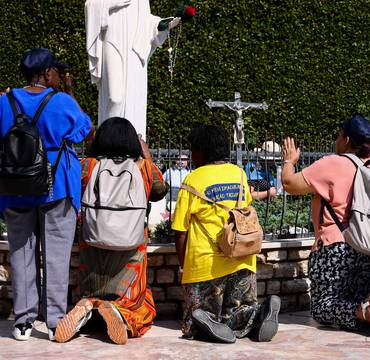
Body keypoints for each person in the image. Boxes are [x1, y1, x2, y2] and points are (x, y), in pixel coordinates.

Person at [0, 48, 92, 341]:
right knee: (55, 255)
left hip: (15, 186)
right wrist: (68, 91)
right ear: (47, 73)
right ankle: (54, 322)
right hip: (56, 186)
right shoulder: (61, 101)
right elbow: (85, 130)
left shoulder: (4, 101)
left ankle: (23, 322)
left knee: (21, 253)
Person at [55, 117, 168, 344]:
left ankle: (87, 305)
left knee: (91, 288)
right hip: (131, 248)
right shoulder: (144, 169)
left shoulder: (88, 166)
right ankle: (120, 312)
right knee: (139, 307)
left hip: (93, 243)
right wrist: (146, 155)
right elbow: (160, 190)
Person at [281, 114, 370, 337]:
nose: (336, 139)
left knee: (323, 309)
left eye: (339, 135)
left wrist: (289, 162)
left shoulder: (333, 163)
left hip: (336, 247)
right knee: (347, 302)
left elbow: (289, 184)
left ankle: (366, 310)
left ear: (348, 139)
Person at [172, 125, 280, 343]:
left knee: (196, 318)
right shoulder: (239, 174)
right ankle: (257, 315)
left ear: (202, 151)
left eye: (193, 150)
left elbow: (180, 230)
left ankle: (208, 325)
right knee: (240, 308)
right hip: (243, 258)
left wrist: (184, 264)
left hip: (206, 264)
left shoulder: (193, 180)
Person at [85, 0, 181, 138]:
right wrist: (113, 3)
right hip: (112, 42)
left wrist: (162, 25)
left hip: (134, 51)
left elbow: (146, 21)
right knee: (115, 97)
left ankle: (131, 145)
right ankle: (108, 144)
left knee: (133, 96)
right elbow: (90, 5)